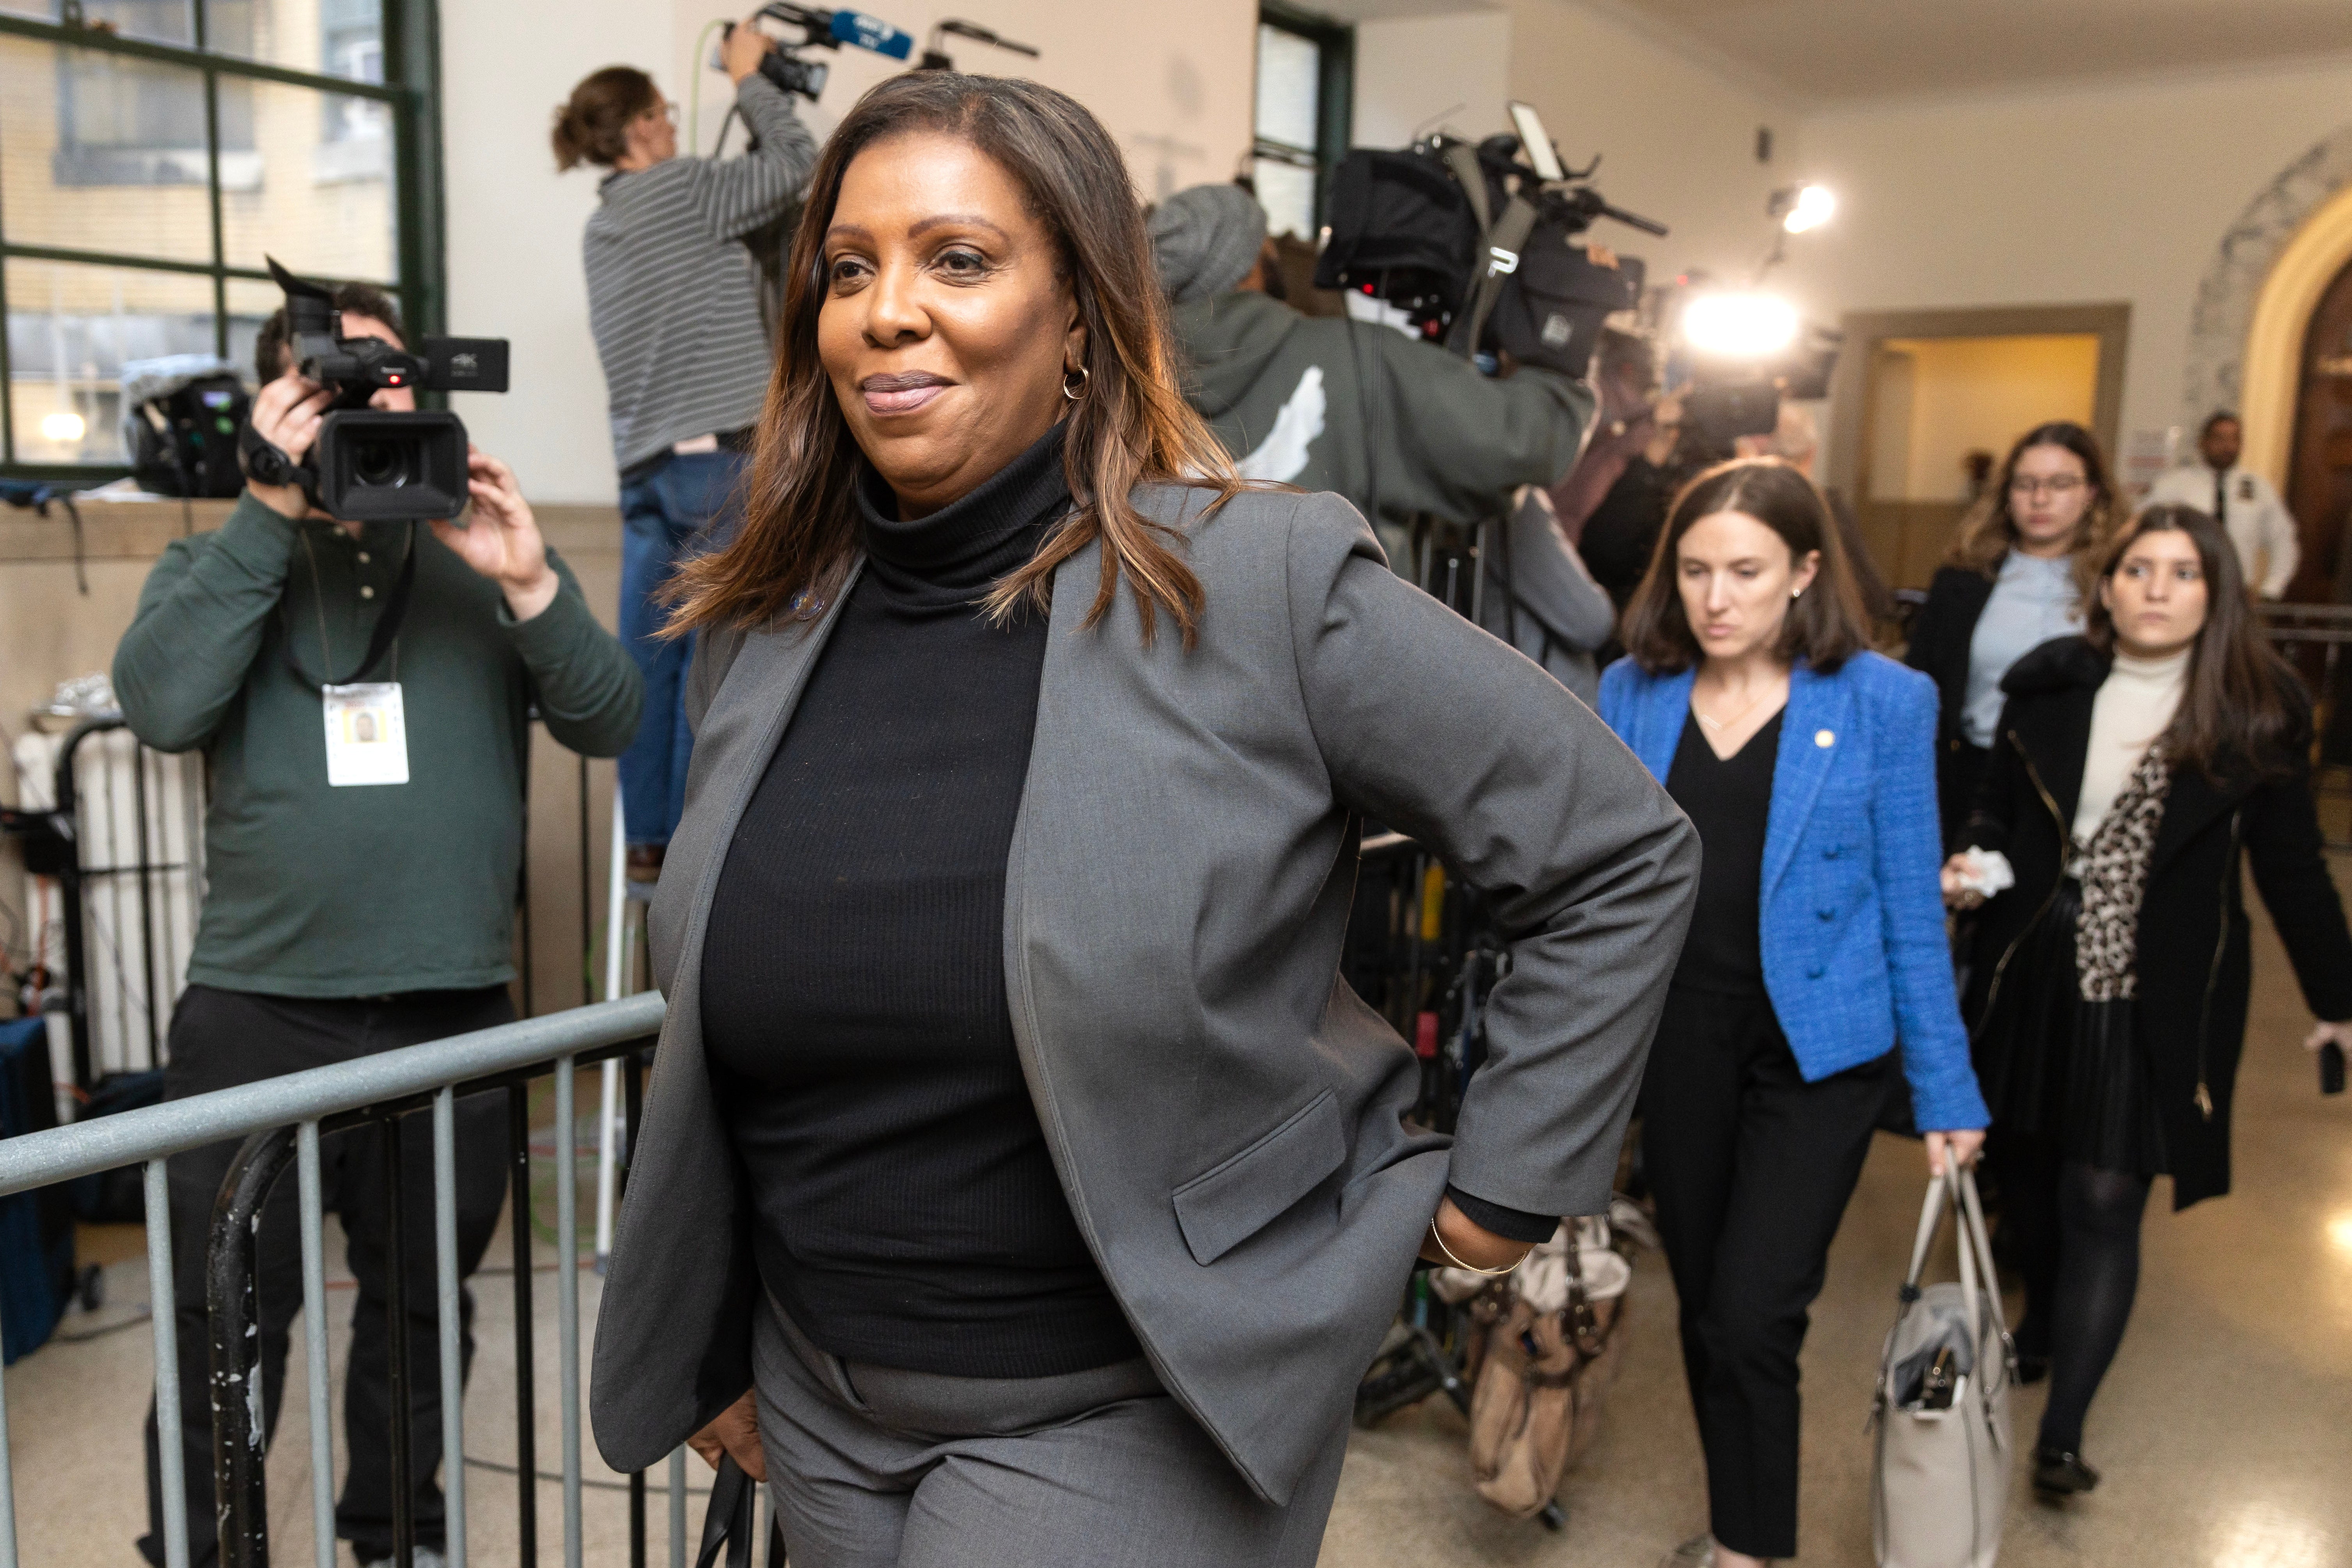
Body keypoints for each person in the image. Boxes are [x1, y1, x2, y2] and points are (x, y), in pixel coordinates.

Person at [588, 73, 1699, 1568]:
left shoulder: (1258, 582)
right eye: (848, 268)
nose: (884, 311)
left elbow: (1614, 852)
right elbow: (733, 1036)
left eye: (959, 260)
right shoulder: (766, 621)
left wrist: (1499, 1198)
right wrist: (721, 1325)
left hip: (1117, 1406)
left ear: (1086, 318)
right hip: (817, 1402)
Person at [112, 283, 643, 1568]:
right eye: (337, 377)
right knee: (224, 1312)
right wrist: (270, 504)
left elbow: (611, 719)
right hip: (258, 1001)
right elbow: (162, 706)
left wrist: (528, 582)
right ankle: (203, 1548)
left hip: (449, 1013)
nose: (373, 400)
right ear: (279, 398)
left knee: (419, 1310)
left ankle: (395, 1535)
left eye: (391, 374)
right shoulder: (220, 557)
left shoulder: (476, 556)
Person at [1597, 459, 1989, 1568]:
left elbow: (1913, 910)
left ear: (1804, 571)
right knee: (1702, 1306)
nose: (1715, 598)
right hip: (1680, 1040)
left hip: (1818, 1051)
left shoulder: (1880, 701)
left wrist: (1947, 1094)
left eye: (1745, 571)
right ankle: (1737, 1531)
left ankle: (1753, 1553)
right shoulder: (1631, 687)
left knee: (1752, 1310)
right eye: (1693, 571)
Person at [1941, 504, 2352, 1500]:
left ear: (2215, 593)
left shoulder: (2255, 714)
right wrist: (1972, 855)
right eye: (2137, 568)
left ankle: (2062, 1436)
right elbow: (1994, 799)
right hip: (2033, 964)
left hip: (2153, 987)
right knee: (2028, 1174)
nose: (2156, 588)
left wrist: (2338, 998)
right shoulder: (2049, 682)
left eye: (2181, 571)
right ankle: (2036, 1320)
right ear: (2108, 583)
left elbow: (2292, 869)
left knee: (2105, 1192)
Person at [553, 23, 819, 883]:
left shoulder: (604, 231)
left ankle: (650, 848)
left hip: (645, 469)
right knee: (718, 655)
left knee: (652, 659)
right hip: (719, 462)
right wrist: (750, 77)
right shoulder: (682, 190)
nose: (671, 125)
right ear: (637, 127)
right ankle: (701, 854)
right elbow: (797, 161)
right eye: (662, 114)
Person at [1148, 181, 1596, 570]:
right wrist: (1561, 354)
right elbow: (1523, 444)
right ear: (1251, 260)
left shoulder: (1123, 382)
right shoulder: (1358, 360)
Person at [1905, 421, 2118, 846]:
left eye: (2060, 484)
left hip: (2077, 777)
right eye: (2026, 484)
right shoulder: (1963, 581)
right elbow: (1921, 689)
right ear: (2007, 495)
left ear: (2091, 492)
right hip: (1971, 774)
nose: (2040, 499)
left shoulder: (2115, 583)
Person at [2145, 411, 2300, 601]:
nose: (2228, 446)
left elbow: (2284, 541)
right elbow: (2143, 530)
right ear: (2203, 443)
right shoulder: (2174, 486)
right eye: (2220, 439)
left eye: (2235, 439)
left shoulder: (2258, 489)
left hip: (2237, 594)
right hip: (2182, 589)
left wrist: (2270, 590)